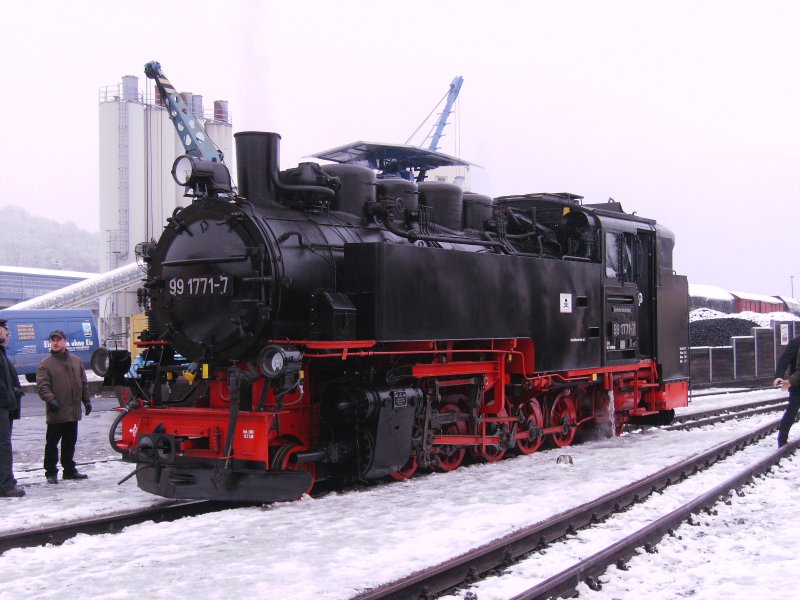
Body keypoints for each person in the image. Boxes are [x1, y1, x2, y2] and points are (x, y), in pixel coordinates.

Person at [36, 329, 92, 483]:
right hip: (57, 412)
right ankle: (51, 472)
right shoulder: (45, 364)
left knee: (69, 442)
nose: (55, 343)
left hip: (73, 411)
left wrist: (86, 400)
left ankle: (69, 470)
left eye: (58, 340)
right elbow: (42, 386)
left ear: (65, 341)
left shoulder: (76, 361)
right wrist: (50, 400)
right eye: (53, 340)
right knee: (52, 444)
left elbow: (83, 383)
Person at [0, 319, 24, 497]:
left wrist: (13, 390)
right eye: (4, 330)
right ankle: (6, 485)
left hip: (5, 404)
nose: (7, 334)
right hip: (2, 406)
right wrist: (7, 396)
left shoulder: (2, 352)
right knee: (3, 446)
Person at [774, 334, 800, 448]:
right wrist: (779, 376)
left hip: (794, 381)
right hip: (796, 384)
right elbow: (784, 359)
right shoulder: (796, 342)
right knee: (791, 412)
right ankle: (782, 441)